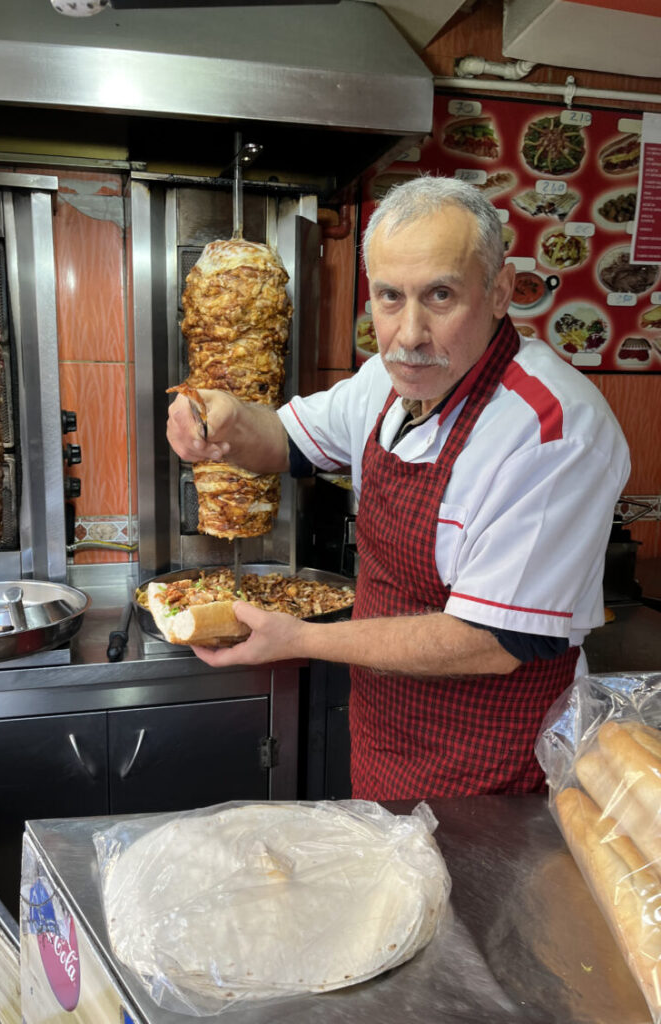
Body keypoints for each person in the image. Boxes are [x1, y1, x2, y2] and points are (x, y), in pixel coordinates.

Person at [166, 175, 630, 801]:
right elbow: (282, 439)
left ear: (498, 292)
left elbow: (490, 642)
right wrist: (222, 418)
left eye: (440, 295)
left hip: (496, 771)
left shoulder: (552, 430)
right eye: (389, 297)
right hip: (388, 735)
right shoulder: (385, 385)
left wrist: (300, 638)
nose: (409, 334)